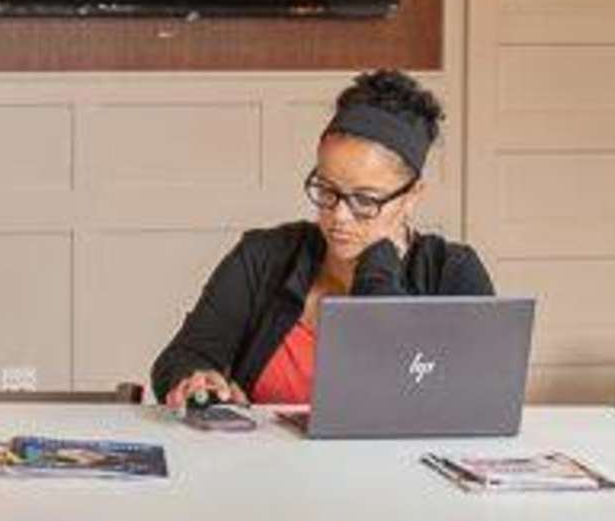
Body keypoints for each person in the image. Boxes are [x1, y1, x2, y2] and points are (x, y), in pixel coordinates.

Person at [152, 70, 492, 406]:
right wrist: (199, 381)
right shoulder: (264, 255)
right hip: (268, 460)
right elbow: (183, 357)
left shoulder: (453, 273)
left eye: (365, 200)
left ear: (411, 196)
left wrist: (377, 268)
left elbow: (472, 399)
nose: (338, 217)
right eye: (327, 190)